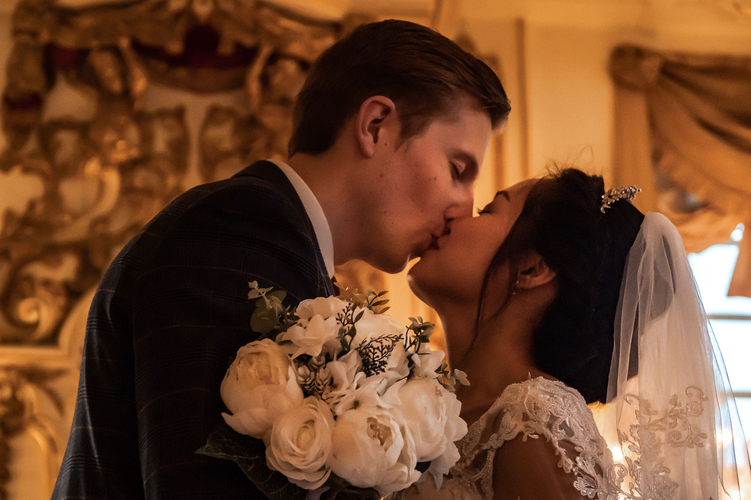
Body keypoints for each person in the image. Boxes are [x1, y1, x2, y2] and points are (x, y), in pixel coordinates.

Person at [51, 19, 510, 499]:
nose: (463, 208)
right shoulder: (241, 231)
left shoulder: (277, 243)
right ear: (376, 125)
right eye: (458, 169)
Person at [403, 167, 751, 499]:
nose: (457, 217)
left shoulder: (534, 426)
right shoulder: (432, 403)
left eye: (488, 210)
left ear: (531, 267)